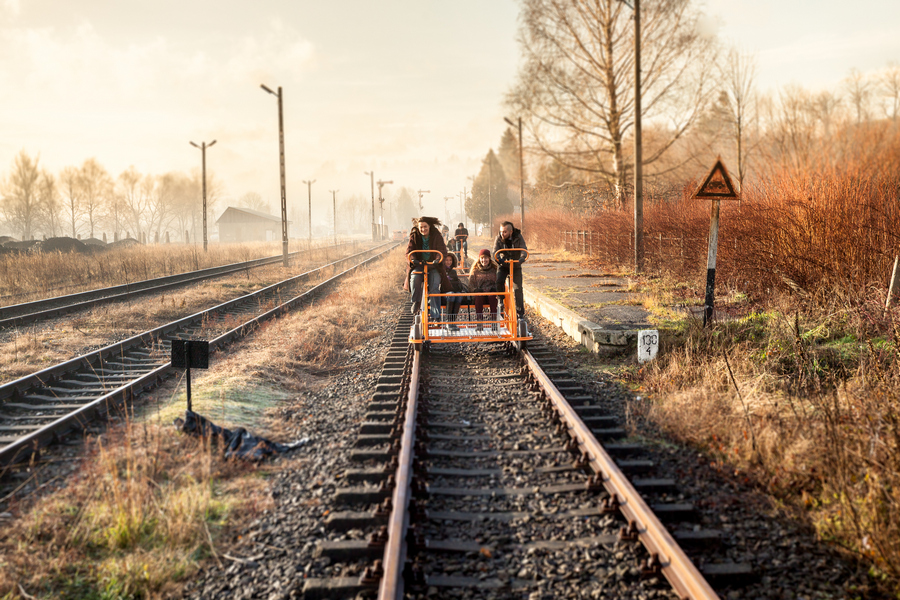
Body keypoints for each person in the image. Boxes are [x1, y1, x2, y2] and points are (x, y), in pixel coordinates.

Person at [404, 216, 451, 322]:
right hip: (419, 264)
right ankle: (416, 301)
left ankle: (436, 315)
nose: (423, 229)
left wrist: (438, 259)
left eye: (425, 227)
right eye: (421, 227)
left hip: (434, 265)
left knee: (434, 286)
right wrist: (413, 259)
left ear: (429, 226)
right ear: (418, 227)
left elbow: (442, 249)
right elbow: (409, 250)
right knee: (415, 278)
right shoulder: (415, 235)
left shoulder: (436, 235)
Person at [493, 221, 528, 319]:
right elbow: (495, 252)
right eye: (501, 232)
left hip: (516, 265)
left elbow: (523, 249)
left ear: (511, 232)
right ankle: (500, 300)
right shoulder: (498, 238)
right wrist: (500, 260)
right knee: (499, 281)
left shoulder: (518, 237)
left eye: (504, 232)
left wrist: (521, 259)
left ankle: (520, 313)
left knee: (518, 289)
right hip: (504, 265)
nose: (502, 234)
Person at [468, 248, 499, 330]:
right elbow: (470, 285)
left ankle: (494, 322)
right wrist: (475, 290)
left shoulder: (494, 270)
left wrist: (495, 289)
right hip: (480, 294)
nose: (484, 260)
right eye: (482, 258)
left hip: (490, 294)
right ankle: (479, 322)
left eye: (485, 258)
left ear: (489, 259)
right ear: (479, 259)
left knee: (492, 297)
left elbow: (499, 283)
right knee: (478, 297)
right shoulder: (475, 271)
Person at [441, 252, 466, 330]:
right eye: (446, 260)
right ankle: (448, 322)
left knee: (458, 295)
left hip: (452, 293)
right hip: (442, 294)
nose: (448, 262)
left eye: (450, 260)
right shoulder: (440, 270)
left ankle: (453, 322)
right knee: (451, 294)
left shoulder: (453, 272)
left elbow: (456, 285)